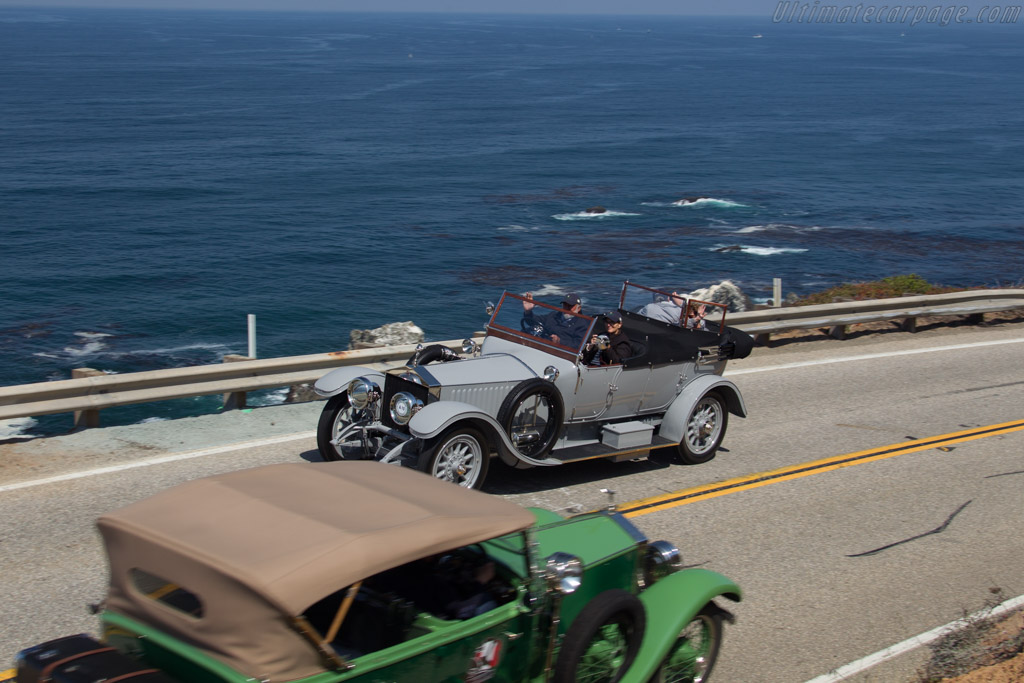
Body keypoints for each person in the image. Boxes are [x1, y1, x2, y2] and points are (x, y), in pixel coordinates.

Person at [521, 291, 590, 348]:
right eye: (565, 305)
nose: (567, 308)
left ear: (579, 308)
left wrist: (559, 341)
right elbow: (533, 321)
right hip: (542, 346)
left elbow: (578, 345)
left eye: (570, 306)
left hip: (562, 354)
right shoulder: (554, 315)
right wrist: (528, 311)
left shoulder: (582, 324)